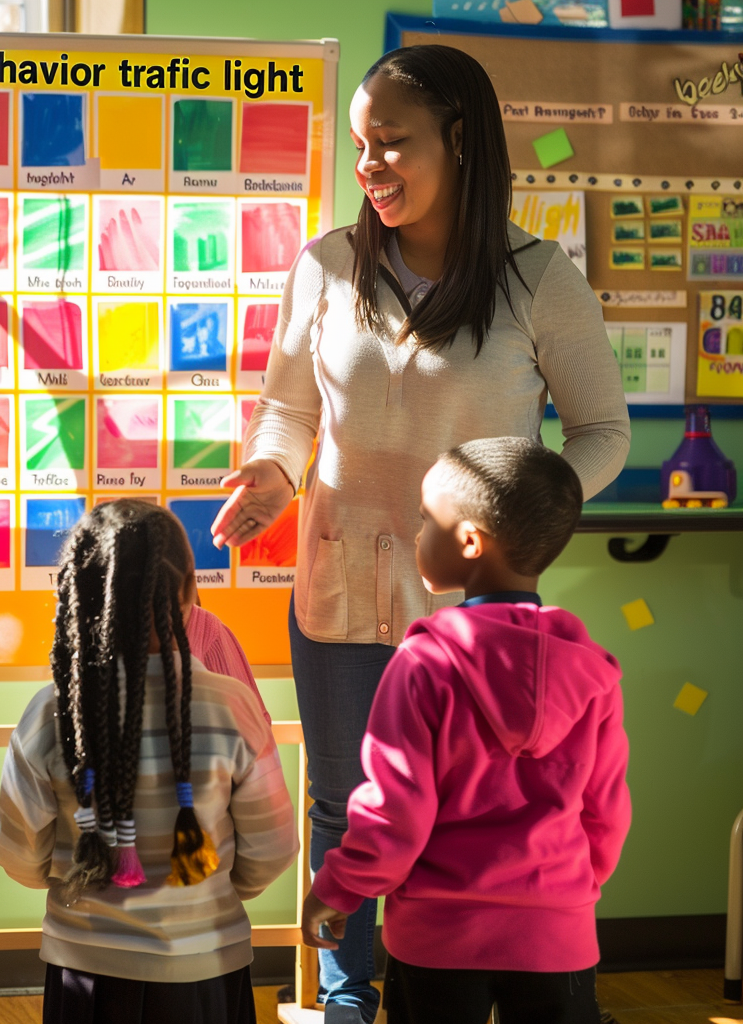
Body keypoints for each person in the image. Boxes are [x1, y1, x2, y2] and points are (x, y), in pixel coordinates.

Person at [211, 44, 631, 1023]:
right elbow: (285, 411)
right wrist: (272, 472)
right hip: (337, 593)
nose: (370, 167)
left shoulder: (540, 281)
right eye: (360, 146)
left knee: (469, 817)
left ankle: (454, 984)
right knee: (342, 804)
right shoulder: (323, 265)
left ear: (460, 140)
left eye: (392, 143)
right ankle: (351, 1002)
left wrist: (528, 502)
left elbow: (602, 432)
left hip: (475, 614)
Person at [300, 437, 632, 1024]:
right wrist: (567, 892)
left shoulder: (423, 664)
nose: (418, 532)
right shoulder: (594, 672)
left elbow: (394, 812)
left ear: (470, 541)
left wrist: (339, 885)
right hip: (559, 936)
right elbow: (606, 812)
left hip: (438, 940)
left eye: (426, 519)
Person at [0, 499, 298, 1024]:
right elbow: (273, 848)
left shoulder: (50, 713)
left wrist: (75, 881)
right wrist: (213, 888)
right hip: (206, 967)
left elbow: (19, 855)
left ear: (78, 596)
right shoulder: (232, 707)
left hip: (84, 972)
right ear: (189, 591)